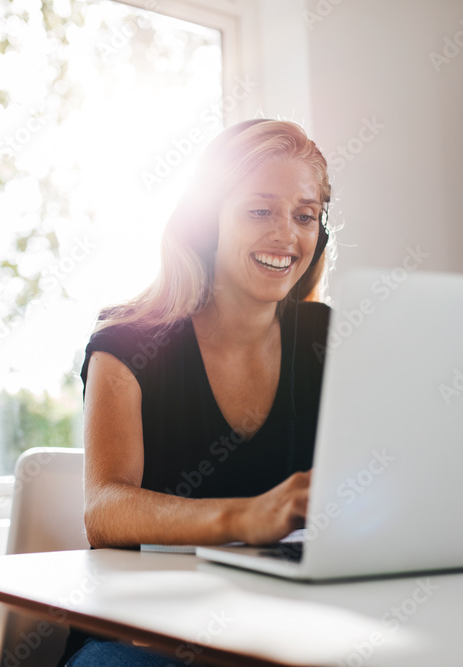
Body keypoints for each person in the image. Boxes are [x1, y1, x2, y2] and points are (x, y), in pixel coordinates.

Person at [58, 119, 334, 666]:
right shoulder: (126, 342)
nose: (286, 235)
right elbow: (105, 509)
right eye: (260, 210)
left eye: (305, 216)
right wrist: (244, 517)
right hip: (143, 632)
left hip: (280, 626)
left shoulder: (327, 338)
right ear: (208, 222)